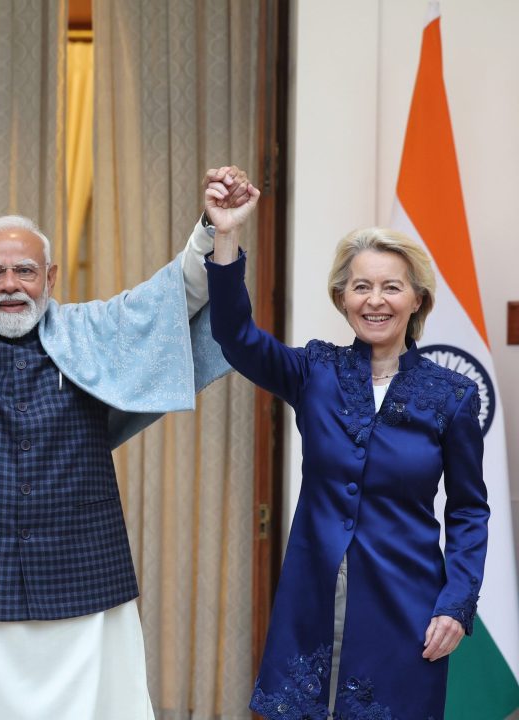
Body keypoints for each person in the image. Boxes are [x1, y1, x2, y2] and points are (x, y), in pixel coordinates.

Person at [0, 126, 250, 718]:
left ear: (51, 278)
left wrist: (215, 229)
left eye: (25, 271)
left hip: (79, 581)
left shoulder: (93, 329)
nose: (10, 286)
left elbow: (175, 295)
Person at [203, 178, 488, 718]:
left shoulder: (452, 396)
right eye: (361, 287)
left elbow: (469, 509)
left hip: (407, 606)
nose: (375, 301)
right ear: (342, 298)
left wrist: (457, 603)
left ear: (417, 299)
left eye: (391, 287)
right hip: (311, 599)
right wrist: (225, 236)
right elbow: (235, 336)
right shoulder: (314, 371)